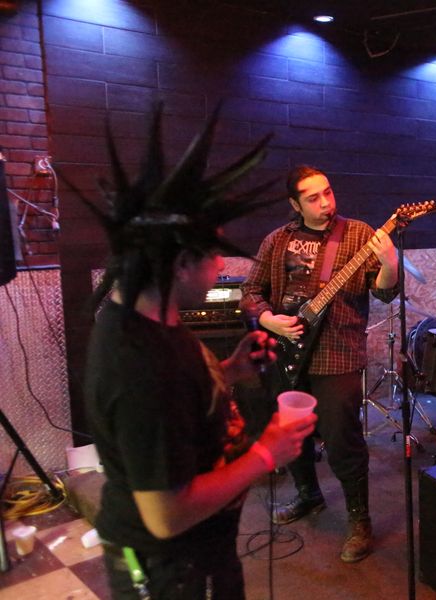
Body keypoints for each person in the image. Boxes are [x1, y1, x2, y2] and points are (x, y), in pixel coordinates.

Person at [83, 107, 317, 599]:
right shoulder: (138, 364)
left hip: (205, 549)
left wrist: (229, 370)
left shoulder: (151, 317)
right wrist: (265, 453)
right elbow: (165, 515)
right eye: (212, 255)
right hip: (171, 568)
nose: (220, 265)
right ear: (180, 264)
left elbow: (176, 408)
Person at [240, 165, 398, 563]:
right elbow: (250, 291)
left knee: (343, 439)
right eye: (313, 198)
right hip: (285, 350)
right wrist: (268, 319)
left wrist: (390, 264)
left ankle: (359, 520)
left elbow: (384, 293)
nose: (326, 202)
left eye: (327, 192)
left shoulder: (358, 234)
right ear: (295, 204)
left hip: (337, 354)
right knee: (292, 434)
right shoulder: (277, 240)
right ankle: (308, 494)